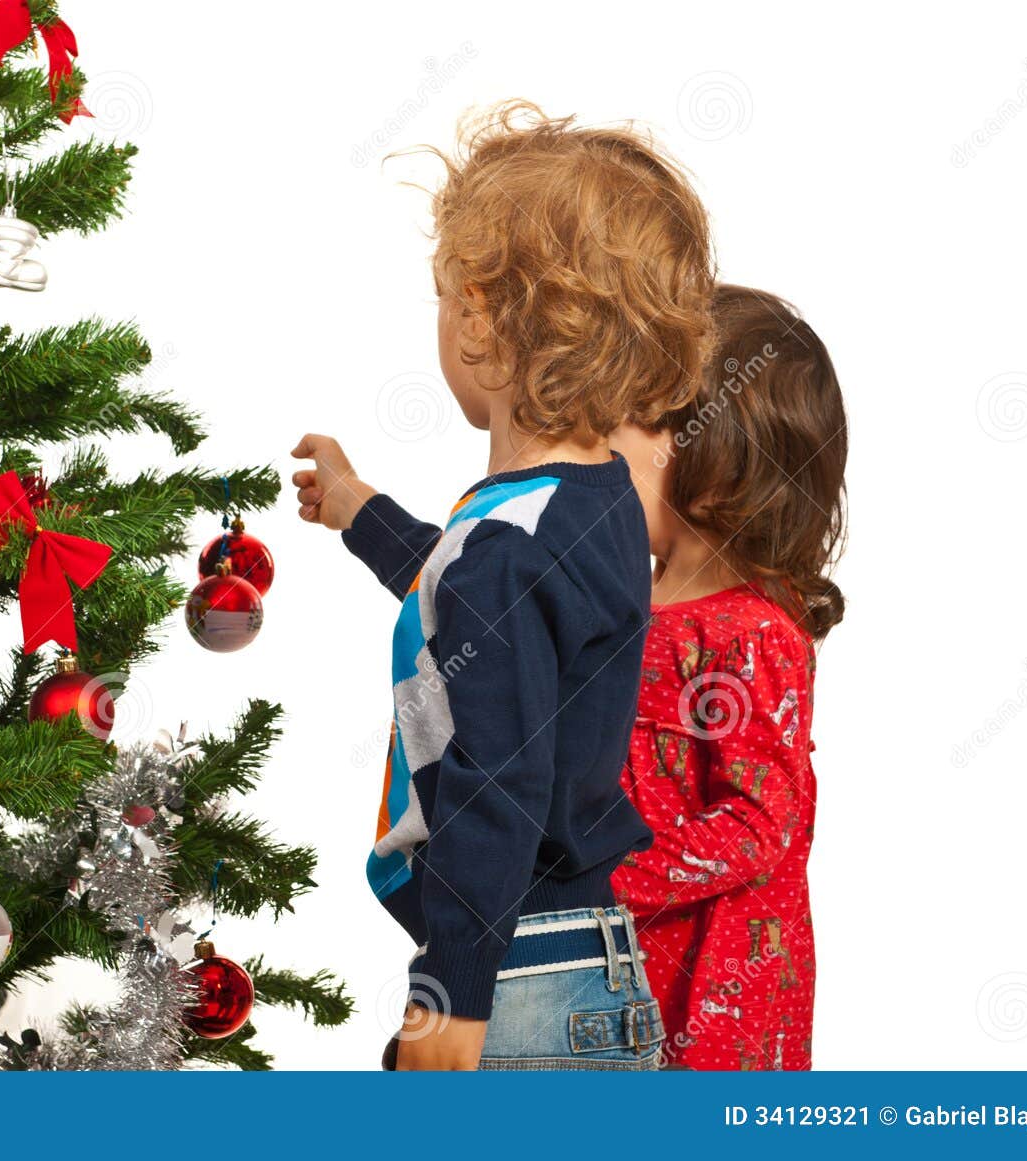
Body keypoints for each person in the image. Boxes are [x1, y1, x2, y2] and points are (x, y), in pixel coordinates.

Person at [291, 102, 715, 1069]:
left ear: (478, 317)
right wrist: (361, 509)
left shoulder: (510, 548)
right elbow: (470, 594)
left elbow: (498, 777)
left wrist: (451, 998)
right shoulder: (592, 503)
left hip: (518, 983)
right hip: (590, 964)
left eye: (444, 296)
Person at [609, 284, 847, 1070]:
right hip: (621, 975)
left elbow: (756, 822)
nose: (610, 434)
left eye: (640, 417)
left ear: (717, 457)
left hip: (712, 1005)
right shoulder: (625, 592)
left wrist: (605, 884)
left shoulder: (754, 633)